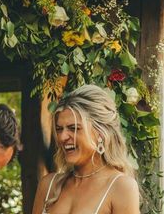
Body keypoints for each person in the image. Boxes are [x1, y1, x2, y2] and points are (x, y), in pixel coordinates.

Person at [32, 84, 140, 214]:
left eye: (74, 128)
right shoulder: (48, 185)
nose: (62, 137)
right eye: (59, 129)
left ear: (100, 132)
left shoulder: (121, 187)